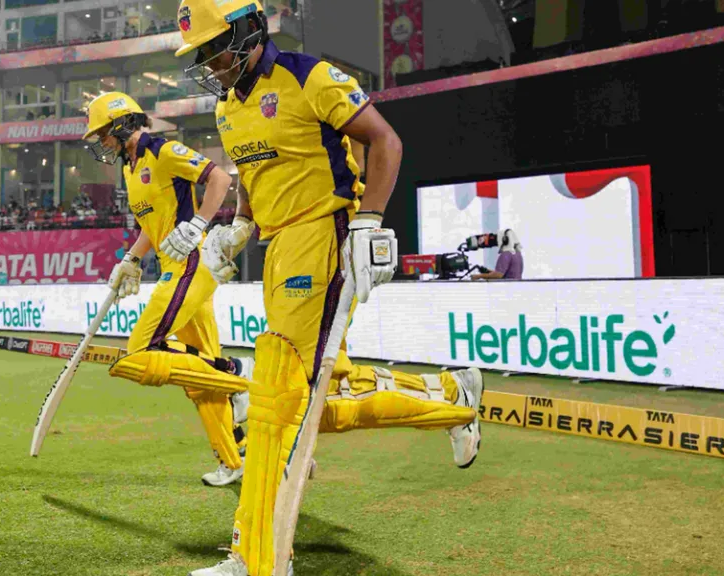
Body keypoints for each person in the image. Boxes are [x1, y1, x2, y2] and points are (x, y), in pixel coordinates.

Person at [175, 2, 484, 574]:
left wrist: (369, 221)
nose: (208, 63)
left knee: (275, 396)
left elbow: (384, 140)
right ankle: (451, 399)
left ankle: (258, 556)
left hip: (324, 236)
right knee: (324, 404)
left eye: (214, 48)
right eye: (200, 54)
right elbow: (251, 172)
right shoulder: (227, 107)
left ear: (248, 32)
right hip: (277, 249)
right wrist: (239, 226)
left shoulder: (307, 75)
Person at [82, 91, 254, 487]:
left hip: (190, 266)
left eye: (104, 133)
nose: (102, 143)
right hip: (173, 266)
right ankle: (234, 456)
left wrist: (198, 224)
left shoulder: (161, 149)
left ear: (123, 123)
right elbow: (149, 224)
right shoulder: (130, 167)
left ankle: (237, 375)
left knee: (140, 350)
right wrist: (132, 259)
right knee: (199, 381)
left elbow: (220, 178)